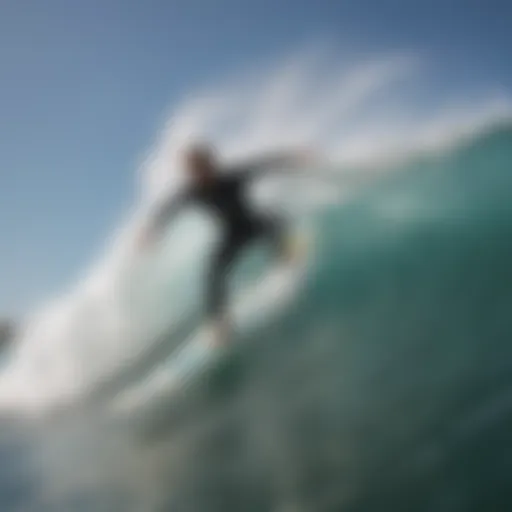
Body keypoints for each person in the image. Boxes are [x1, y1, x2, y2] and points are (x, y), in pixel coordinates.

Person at [139, 143, 310, 345]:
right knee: (212, 274)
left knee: (275, 222)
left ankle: (288, 256)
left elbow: (264, 164)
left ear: (211, 164)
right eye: (194, 171)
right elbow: (169, 208)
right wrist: (152, 230)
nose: (200, 174)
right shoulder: (193, 192)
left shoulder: (231, 177)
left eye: (202, 167)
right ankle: (220, 323)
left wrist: (294, 156)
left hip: (252, 222)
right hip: (232, 235)